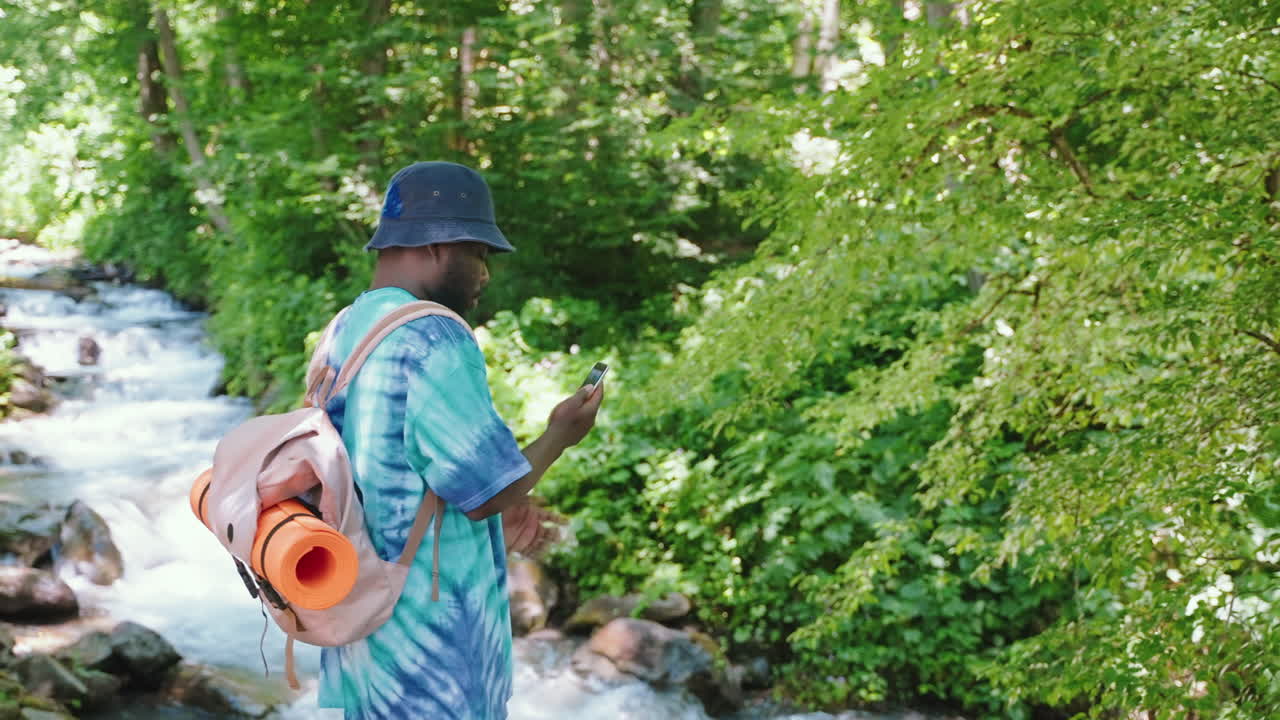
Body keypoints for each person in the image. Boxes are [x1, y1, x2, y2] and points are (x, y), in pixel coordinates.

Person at [314, 161, 604, 719]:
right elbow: (488, 492)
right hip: (432, 648)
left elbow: (392, 472)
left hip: (365, 630)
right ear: (438, 245)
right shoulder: (433, 336)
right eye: (481, 254)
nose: (486, 274)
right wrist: (561, 433)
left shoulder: (346, 329)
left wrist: (509, 502)